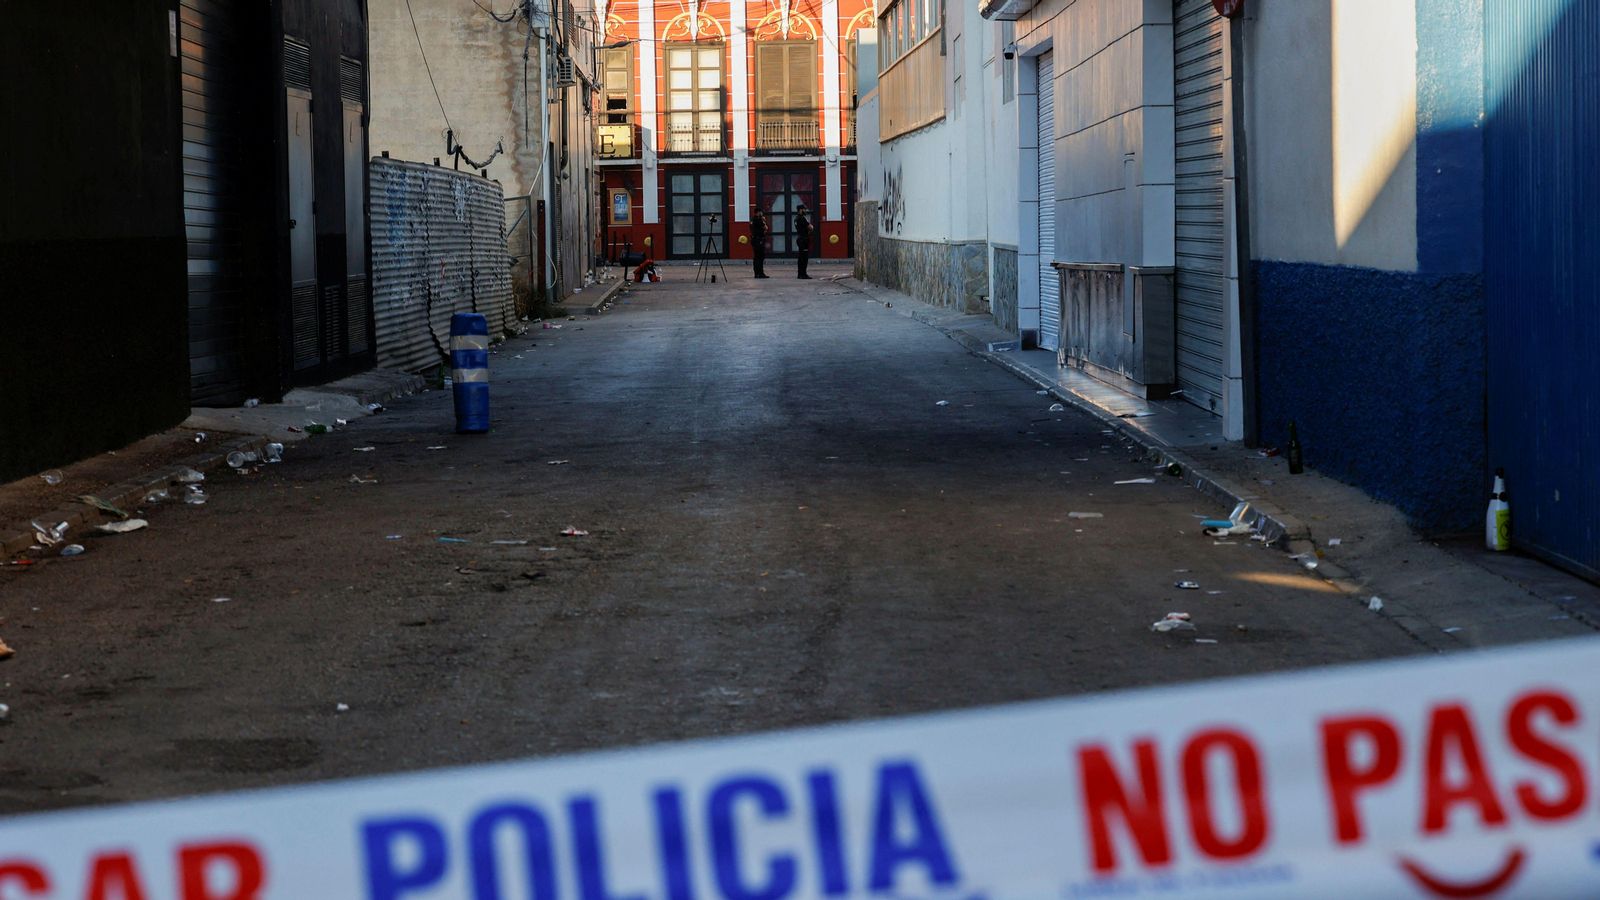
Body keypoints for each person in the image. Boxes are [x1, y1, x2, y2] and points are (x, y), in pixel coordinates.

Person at [795, 204, 813, 279]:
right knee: (804, 258)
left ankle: (800, 274)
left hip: (800, 238)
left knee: (800, 257)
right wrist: (810, 229)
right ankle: (803, 274)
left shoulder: (796, 218)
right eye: (804, 209)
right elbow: (810, 227)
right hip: (803, 239)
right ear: (800, 210)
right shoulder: (802, 218)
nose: (805, 210)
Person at [750, 209, 770, 279]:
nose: (762, 213)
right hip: (759, 240)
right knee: (760, 257)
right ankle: (760, 273)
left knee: (756, 257)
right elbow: (766, 228)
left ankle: (756, 273)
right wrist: (763, 220)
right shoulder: (759, 220)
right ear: (758, 213)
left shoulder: (752, 219)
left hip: (754, 240)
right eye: (761, 212)